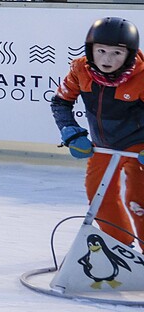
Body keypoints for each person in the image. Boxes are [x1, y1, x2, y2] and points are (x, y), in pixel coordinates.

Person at [53, 17, 144, 249]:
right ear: (90, 50)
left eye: (116, 53)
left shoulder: (142, 76)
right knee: (99, 197)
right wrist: (72, 133)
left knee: (139, 200)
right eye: (101, 51)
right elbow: (61, 102)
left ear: (129, 55)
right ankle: (121, 247)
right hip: (102, 145)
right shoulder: (80, 69)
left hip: (138, 145)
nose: (107, 59)